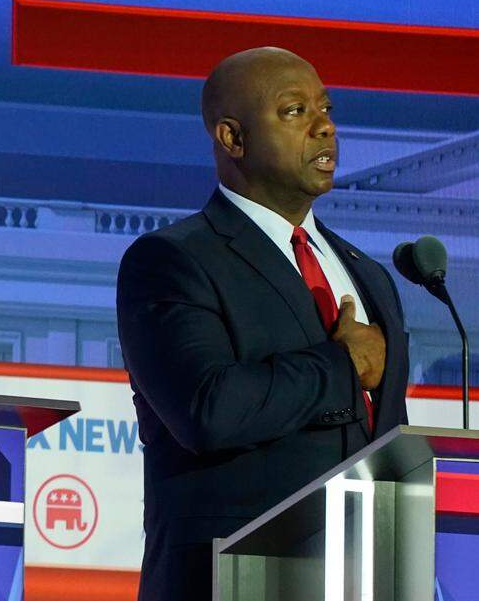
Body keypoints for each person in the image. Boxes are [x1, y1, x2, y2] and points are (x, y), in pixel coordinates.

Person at [116, 47, 409, 601]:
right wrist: (342, 364)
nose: (325, 126)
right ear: (232, 138)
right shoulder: (172, 261)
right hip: (228, 580)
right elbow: (207, 409)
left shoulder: (368, 275)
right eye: (295, 112)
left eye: (325, 108)